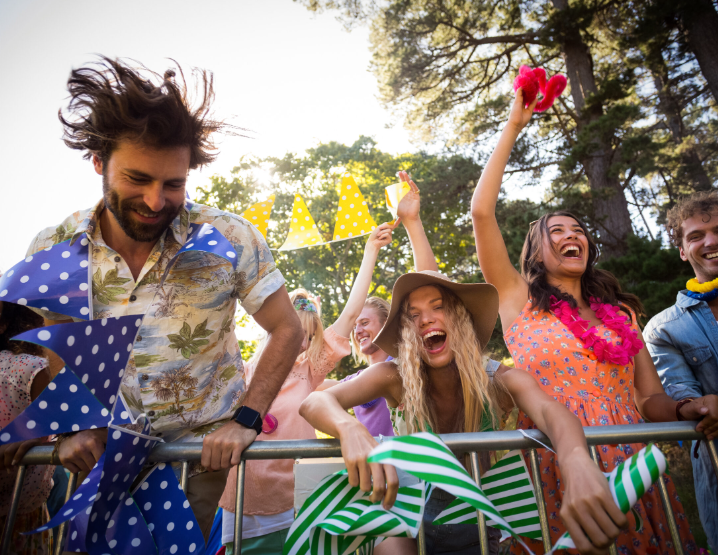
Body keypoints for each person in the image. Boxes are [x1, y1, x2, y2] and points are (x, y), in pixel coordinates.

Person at [23, 56, 303, 541]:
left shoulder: (230, 236)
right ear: (98, 163)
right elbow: (57, 344)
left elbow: (288, 327)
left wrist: (247, 419)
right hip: (100, 459)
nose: (156, 201)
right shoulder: (55, 246)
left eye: (173, 184)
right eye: (137, 179)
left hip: (197, 461)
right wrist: (72, 428)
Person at [470, 88, 707, 553]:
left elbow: (650, 398)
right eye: (555, 231)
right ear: (535, 251)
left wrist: (685, 410)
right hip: (555, 458)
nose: (570, 235)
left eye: (577, 230)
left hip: (631, 464)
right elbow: (481, 213)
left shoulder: (620, 316)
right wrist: (514, 125)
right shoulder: (518, 301)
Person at [301, 268, 633, 555]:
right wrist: (349, 429)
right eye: (413, 315)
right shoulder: (394, 377)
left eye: (438, 307)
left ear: (460, 317)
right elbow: (315, 402)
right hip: (408, 526)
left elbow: (551, 411)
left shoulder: (500, 380)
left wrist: (576, 460)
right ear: (406, 332)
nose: (426, 318)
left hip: (484, 527)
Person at [219, 222, 397, 555]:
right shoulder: (242, 372)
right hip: (243, 503)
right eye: (295, 330)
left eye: (310, 334)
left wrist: (371, 249)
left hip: (294, 504)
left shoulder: (308, 371)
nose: (302, 341)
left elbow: (351, 313)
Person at [316, 171, 436, 437]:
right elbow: (308, 388)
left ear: (385, 327)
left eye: (365, 322)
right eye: (356, 325)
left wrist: (411, 221)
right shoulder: (354, 382)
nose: (357, 330)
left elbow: (430, 285)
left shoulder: (405, 365)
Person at [644, 190, 718, 552]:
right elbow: (681, 396)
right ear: (682, 250)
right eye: (696, 236)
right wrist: (699, 407)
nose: (711, 241)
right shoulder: (663, 329)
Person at [0, 300, 53, 555]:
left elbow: (69, 424)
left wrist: (41, 439)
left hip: (18, 519)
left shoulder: (25, 370)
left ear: (3, 324)